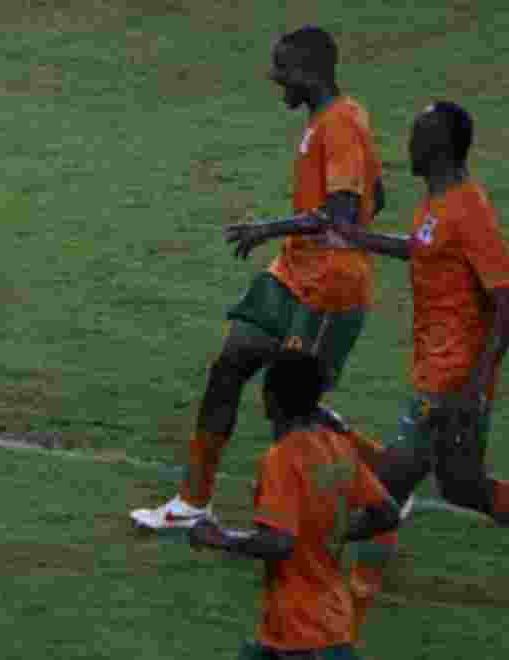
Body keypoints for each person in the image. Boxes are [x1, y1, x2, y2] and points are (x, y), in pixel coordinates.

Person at [132, 26, 385, 530]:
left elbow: (340, 213)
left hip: (328, 288)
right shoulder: (332, 118)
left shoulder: (340, 125)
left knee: (293, 407)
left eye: (284, 72)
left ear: (310, 73)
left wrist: (269, 228)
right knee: (229, 366)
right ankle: (191, 503)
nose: (278, 82)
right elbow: (375, 195)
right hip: (291, 275)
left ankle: (383, 483)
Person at [334, 101, 509, 536]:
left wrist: (475, 387)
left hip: (450, 378)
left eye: (417, 135)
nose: (408, 143)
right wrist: (358, 239)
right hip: (440, 366)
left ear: (438, 147)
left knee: (385, 488)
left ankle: (301, 551)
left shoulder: (469, 210)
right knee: (463, 487)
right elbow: (422, 247)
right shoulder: (438, 199)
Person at [190, 351, 400, 660]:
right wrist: (333, 532)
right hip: (328, 625)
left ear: (270, 399)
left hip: (300, 635)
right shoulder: (338, 449)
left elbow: (278, 543)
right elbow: (387, 514)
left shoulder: (282, 459)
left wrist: (220, 538)